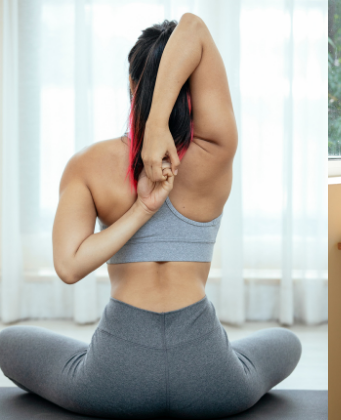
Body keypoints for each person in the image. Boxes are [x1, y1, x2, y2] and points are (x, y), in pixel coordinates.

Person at [0, 14, 301, 418]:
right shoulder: (215, 150)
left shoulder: (88, 164)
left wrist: (141, 208)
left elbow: (69, 267)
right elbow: (194, 28)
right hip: (210, 379)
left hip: (113, 379)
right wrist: (159, 131)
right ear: (194, 90)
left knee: (8, 343)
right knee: (288, 342)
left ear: (131, 84)